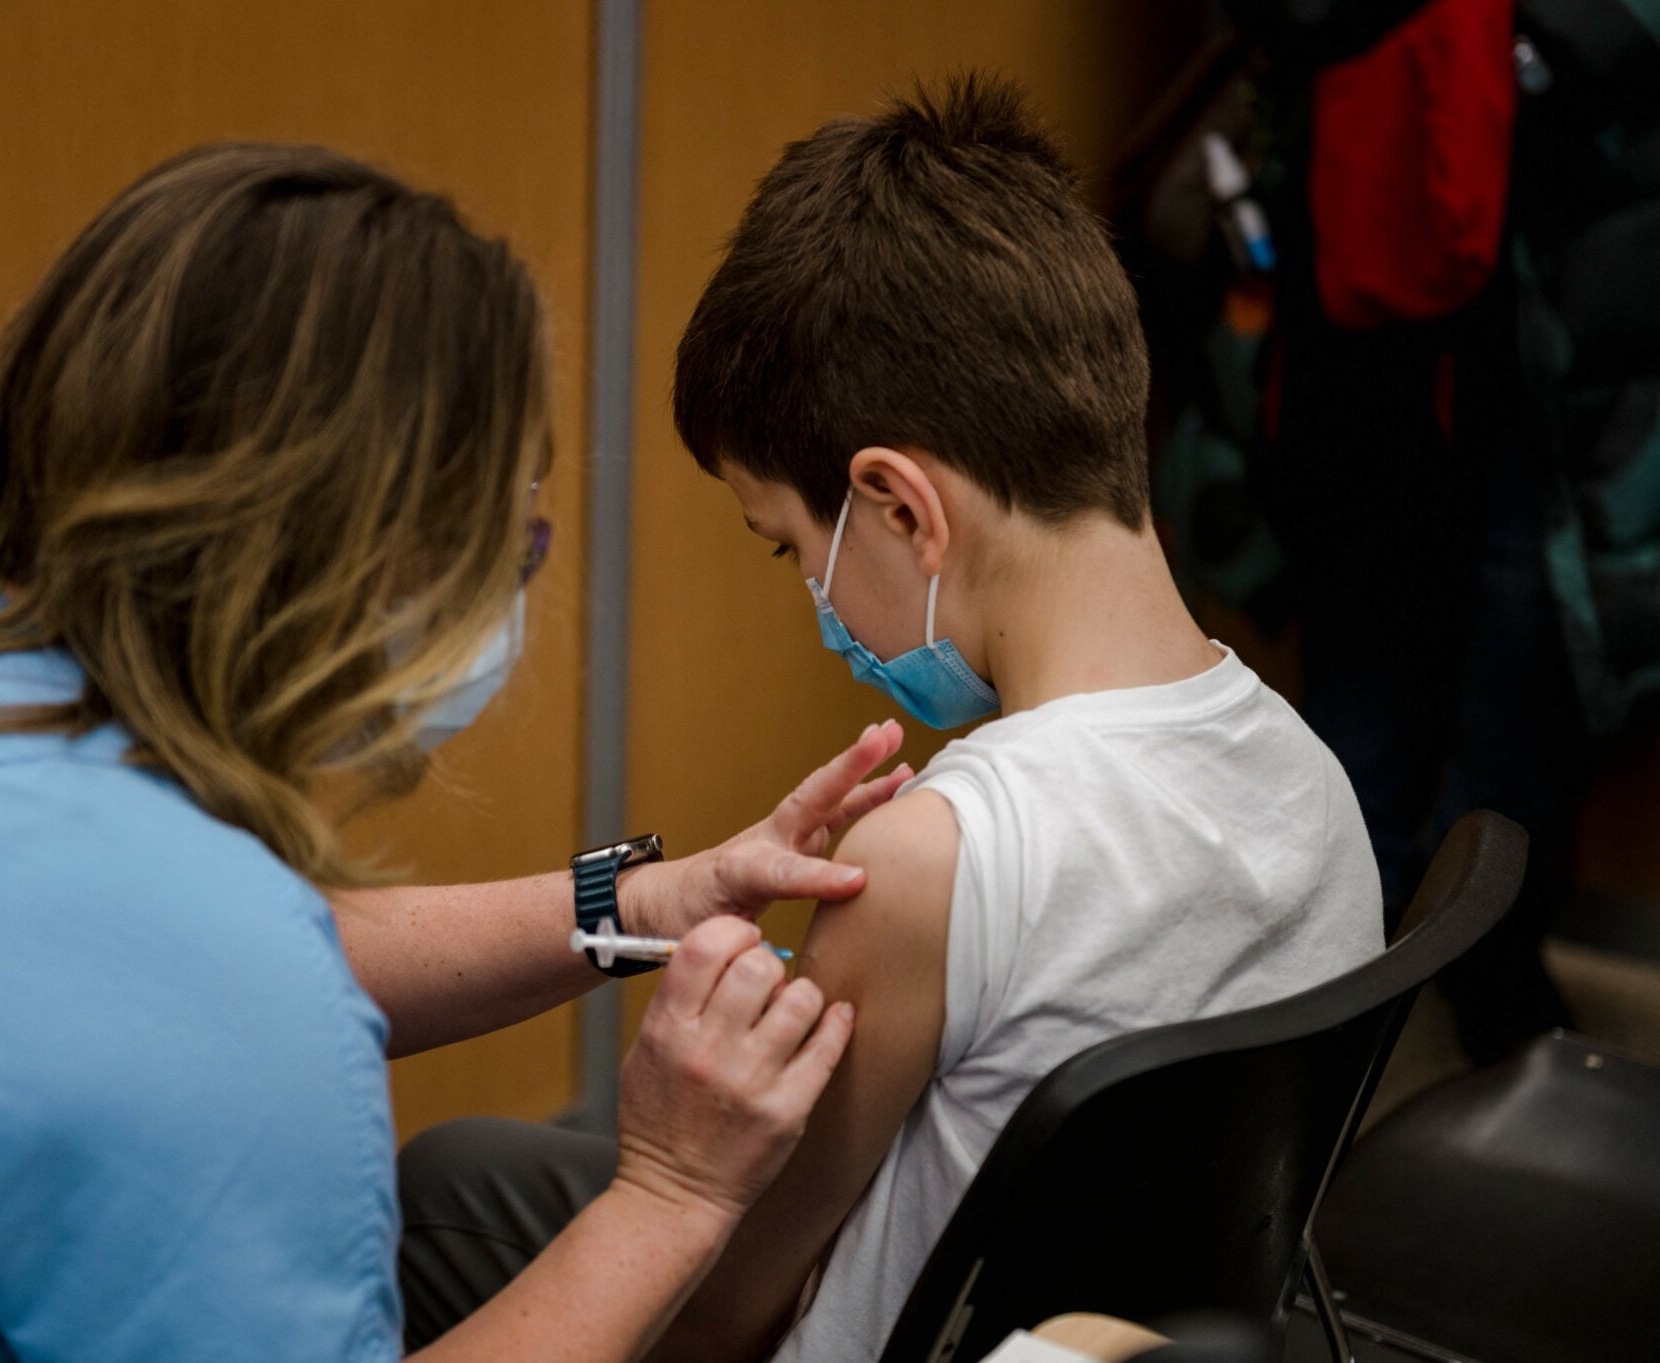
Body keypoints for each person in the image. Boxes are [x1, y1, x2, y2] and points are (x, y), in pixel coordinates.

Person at [0, 142, 915, 1362]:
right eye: (507, 545)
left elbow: (88, 975)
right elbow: (183, 986)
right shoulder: (197, 971)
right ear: (379, 552)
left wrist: (635, 903)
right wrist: (673, 1187)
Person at [395, 76, 1384, 1362]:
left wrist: (677, 1143)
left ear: (900, 507)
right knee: (471, 1168)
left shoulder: (936, 857)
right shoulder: (1316, 781)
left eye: (787, 549)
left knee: (439, 1192)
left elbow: (725, 1317)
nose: (813, 601)